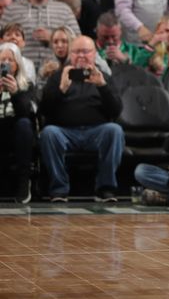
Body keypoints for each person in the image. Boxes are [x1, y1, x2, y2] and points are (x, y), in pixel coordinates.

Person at [39, 35, 124, 202]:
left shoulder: (103, 77)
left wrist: (102, 87)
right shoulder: (57, 77)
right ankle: (59, 189)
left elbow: (116, 111)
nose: (81, 56)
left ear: (94, 54)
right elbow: (44, 110)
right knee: (49, 133)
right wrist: (61, 89)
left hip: (96, 131)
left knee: (114, 130)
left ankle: (105, 188)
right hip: (65, 132)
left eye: (86, 51)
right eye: (77, 52)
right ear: (70, 54)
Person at [0, 0, 80, 70]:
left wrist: (53, 38)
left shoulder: (64, 10)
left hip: (56, 70)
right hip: (20, 71)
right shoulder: (12, 10)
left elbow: (77, 40)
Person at [0, 42, 35, 203]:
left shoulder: (26, 85)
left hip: (16, 132)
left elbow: (27, 113)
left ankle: (23, 181)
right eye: (2, 60)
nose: (5, 63)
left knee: (24, 125)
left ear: (18, 64)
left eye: (10, 60)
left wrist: (15, 93)